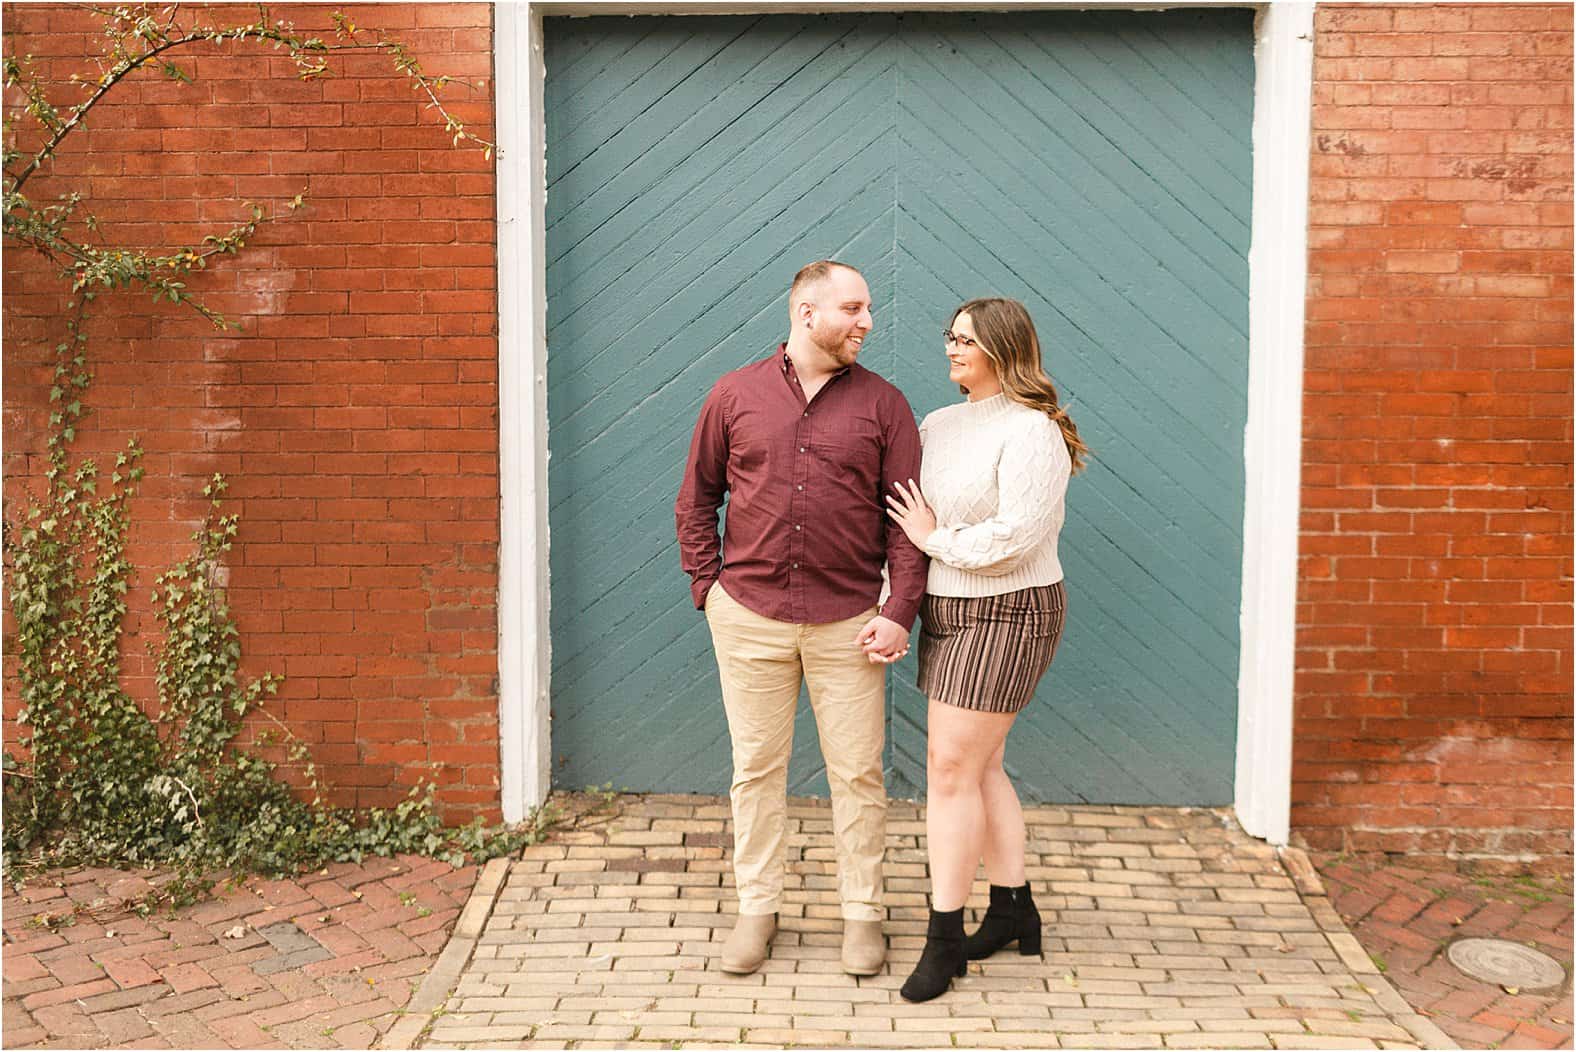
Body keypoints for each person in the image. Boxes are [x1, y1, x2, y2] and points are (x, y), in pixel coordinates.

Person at [675, 259, 927, 977]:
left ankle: (862, 915)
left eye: (868, 308)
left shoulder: (885, 405)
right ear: (807, 312)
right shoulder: (735, 395)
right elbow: (697, 498)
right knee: (755, 770)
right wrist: (709, 589)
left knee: (857, 774)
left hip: (851, 621)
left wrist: (899, 609)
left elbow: (909, 524)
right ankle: (757, 910)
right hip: (748, 615)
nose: (867, 322)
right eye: (853, 308)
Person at [884, 297, 1089, 1002]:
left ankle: (945, 940)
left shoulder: (1033, 433)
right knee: (980, 764)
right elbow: (906, 515)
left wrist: (932, 541)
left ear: (1004, 349)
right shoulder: (937, 425)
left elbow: (1012, 539)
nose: (950, 347)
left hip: (1009, 608)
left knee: (948, 768)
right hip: (948, 606)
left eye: (965, 339)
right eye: (949, 335)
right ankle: (1011, 910)